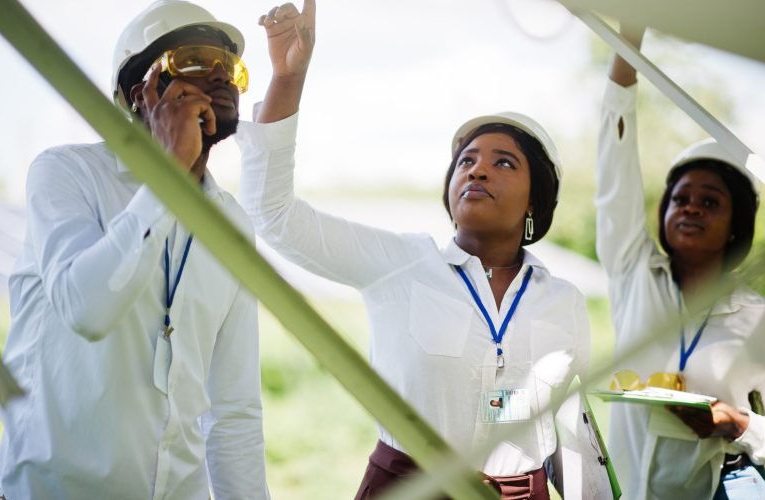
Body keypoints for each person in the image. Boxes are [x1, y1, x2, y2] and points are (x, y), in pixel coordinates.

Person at [239, 2, 593, 498]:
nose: (477, 170)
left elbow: (571, 433)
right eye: (466, 161)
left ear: (536, 199)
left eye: (504, 162)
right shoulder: (399, 264)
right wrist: (287, 80)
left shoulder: (566, 302)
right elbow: (273, 215)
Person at [0, 1, 270, 498]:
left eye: (231, 67)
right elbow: (87, 307)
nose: (223, 78)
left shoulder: (232, 225)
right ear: (142, 93)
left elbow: (235, 410)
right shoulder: (64, 174)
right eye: (200, 60)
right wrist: (167, 176)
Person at [596, 25, 765, 499]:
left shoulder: (757, 318)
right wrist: (630, 31)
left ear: (736, 225)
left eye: (710, 202)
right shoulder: (633, 272)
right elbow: (614, 156)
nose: (690, 208)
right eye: (680, 198)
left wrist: (736, 423)